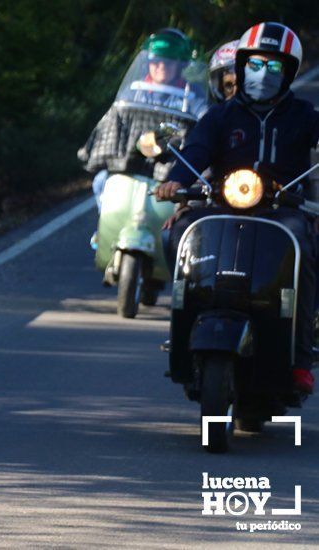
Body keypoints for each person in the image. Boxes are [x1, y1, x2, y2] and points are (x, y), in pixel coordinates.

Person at [156, 22, 319, 395]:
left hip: (283, 209)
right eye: (257, 64)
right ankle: (183, 332)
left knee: (304, 247)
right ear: (242, 66)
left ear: (290, 73)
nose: (264, 75)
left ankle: (299, 359)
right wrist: (177, 181)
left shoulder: (304, 116)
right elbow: (196, 150)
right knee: (178, 233)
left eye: (275, 67)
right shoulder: (221, 116)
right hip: (220, 203)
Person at [81, 28, 205, 214]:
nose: (161, 66)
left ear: (181, 65)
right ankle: (106, 233)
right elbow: (115, 123)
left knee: (190, 201)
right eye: (156, 61)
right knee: (101, 181)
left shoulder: (192, 95)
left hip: (169, 168)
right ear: (148, 62)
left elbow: (205, 120)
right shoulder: (134, 91)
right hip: (130, 163)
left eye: (169, 62)